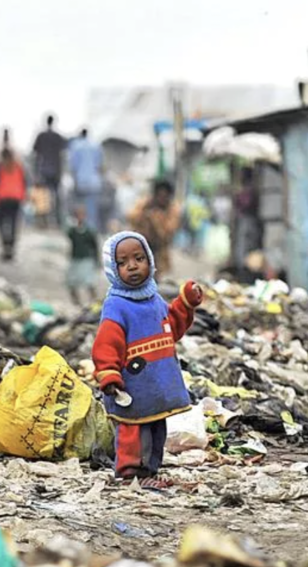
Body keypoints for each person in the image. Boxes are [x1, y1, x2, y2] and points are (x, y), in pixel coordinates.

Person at [92, 231, 205, 482]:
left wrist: (185, 303)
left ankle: (151, 470)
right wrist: (108, 373)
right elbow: (106, 343)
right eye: (122, 263)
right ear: (113, 268)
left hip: (156, 384)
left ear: (150, 261)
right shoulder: (117, 305)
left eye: (139, 258)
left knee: (155, 429)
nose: (132, 266)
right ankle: (131, 472)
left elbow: (171, 327)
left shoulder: (153, 298)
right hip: (133, 386)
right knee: (133, 430)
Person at [129, 179, 182, 276]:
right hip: (141, 246)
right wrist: (144, 213)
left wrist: (156, 219)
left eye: (165, 196)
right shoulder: (145, 204)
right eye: (159, 195)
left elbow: (169, 230)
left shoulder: (173, 209)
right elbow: (131, 216)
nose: (162, 198)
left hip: (159, 251)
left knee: (156, 276)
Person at [0, 147, 29, 261]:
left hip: (2, 197)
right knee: (14, 222)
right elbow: (25, 181)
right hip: (16, 197)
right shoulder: (18, 166)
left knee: (1, 223)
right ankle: (12, 247)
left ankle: (5, 245)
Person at [31, 115, 67, 228]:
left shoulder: (41, 136)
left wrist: (36, 172)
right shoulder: (58, 137)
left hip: (43, 170)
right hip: (55, 170)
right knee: (56, 197)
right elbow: (62, 156)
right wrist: (61, 172)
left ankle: (43, 221)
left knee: (43, 197)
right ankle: (57, 221)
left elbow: (36, 155)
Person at [68, 128, 105, 231]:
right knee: (92, 208)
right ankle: (92, 231)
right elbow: (100, 165)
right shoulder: (96, 145)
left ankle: (80, 231)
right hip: (94, 181)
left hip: (80, 181)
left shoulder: (75, 145)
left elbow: (73, 165)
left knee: (79, 207)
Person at [66, 205, 99, 305]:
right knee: (71, 281)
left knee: (89, 281)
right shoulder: (73, 230)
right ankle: (76, 301)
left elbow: (95, 245)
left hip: (86, 258)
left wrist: (96, 259)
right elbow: (69, 235)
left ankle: (94, 300)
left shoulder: (89, 231)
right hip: (75, 258)